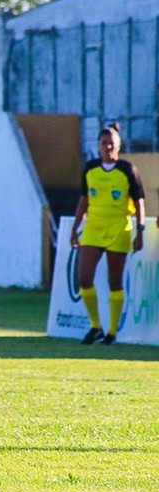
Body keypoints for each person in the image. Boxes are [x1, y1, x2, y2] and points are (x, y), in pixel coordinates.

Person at [70, 124, 145, 346]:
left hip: (118, 229)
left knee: (114, 280)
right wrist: (75, 227)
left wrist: (140, 231)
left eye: (112, 143)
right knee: (84, 277)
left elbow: (140, 201)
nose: (108, 146)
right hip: (93, 227)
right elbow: (84, 200)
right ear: (98, 146)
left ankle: (112, 332)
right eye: (104, 143)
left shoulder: (128, 170)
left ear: (119, 145)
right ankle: (95, 326)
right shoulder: (91, 168)